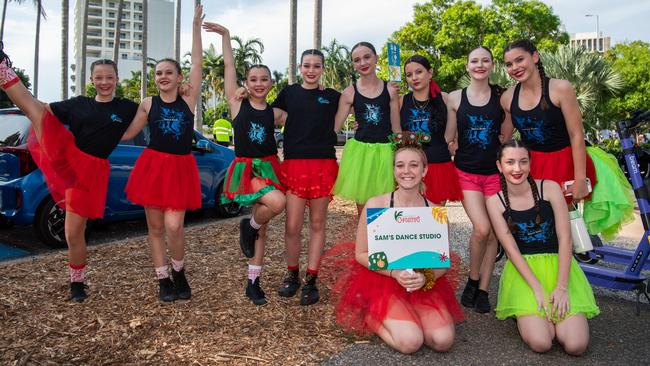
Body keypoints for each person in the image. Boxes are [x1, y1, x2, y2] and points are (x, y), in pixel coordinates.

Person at [0, 45, 138, 301]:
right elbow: (40, 108)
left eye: (109, 77)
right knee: (32, 109)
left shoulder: (128, 107)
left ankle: (78, 280)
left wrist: (182, 91)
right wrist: (27, 98)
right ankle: (2, 66)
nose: (104, 82)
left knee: (76, 231)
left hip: (93, 171)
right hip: (70, 160)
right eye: (99, 77)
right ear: (92, 80)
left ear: (117, 79)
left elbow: (152, 111)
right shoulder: (78, 104)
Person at [322, 133, 464, 354]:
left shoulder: (435, 211)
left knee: (443, 340)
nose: (407, 171)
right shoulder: (377, 205)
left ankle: (410, 314)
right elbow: (361, 253)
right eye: (400, 165)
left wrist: (425, 277)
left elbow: (442, 263)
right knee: (410, 342)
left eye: (414, 165)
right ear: (394, 170)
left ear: (424, 170)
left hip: (421, 281)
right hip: (384, 279)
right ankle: (371, 315)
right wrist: (394, 273)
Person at [121, 5, 204, 302]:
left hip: (180, 168)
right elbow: (129, 132)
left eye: (169, 72)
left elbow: (198, 61)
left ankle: (179, 270)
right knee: (155, 228)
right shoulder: (147, 103)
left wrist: (195, 25)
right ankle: (163, 278)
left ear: (180, 76)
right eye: (158, 73)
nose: (163, 76)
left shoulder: (188, 99)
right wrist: (95, 135)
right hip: (153, 167)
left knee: (174, 226)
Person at [485, 139, 599, 355]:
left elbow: (565, 239)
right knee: (542, 343)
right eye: (510, 162)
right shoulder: (495, 201)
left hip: (559, 268)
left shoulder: (550, 188)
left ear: (530, 163)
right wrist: (537, 289)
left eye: (523, 162)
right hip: (524, 273)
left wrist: (561, 287)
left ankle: (557, 315)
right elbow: (511, 250)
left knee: (576, 346)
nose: (517, 169)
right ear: (500, 166)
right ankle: (525, 314)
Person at [204, 21, 286, 306]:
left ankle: (253, 281)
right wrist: (226, 36)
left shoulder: (276, 113)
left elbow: (306, 105)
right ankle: (248, 225)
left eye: (264, 79)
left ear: (271, 83)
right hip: (248, 168)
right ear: (246, 83)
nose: (259, 83)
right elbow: (228, 66)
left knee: (263, 226)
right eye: (253, 79)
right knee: (276, 204)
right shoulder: (238, 104)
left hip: (270, 166)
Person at [445, 46, 512, 313]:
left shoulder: (502, 97)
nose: (480, 65)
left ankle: (483, 289)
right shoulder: (454, 98)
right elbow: (450, 134)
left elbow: (506, 134)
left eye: (485, 60)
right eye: (474, 61)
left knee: (495, 231)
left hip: (495, 174)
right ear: (467, 65)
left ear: (492, 65)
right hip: (466, 173)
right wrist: (448, 144)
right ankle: (472, 279)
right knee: (482, 228)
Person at [271, 49, 340, 305]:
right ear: (300, 67)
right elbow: (268, 114)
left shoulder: (333, 97)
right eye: (307, 65)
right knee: (292, 225)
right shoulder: (289, 93)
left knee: (318, 225)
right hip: (295, 164)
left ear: (323, 68)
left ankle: (311, 279)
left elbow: (362, 107)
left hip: (323, 164)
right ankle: (292, 275)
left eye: (316, 66)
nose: (311, 70)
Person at [500, 39, 596, 201]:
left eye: (519, 60)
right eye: (509, 64)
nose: (515, 67)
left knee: (565, 221)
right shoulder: (507, 98)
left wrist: (580, 178)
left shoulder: (561, 88)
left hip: (564, 164)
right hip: (530, 167)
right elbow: (504, 140)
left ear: (535, 57)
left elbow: (576, 135)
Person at [332, 41, 401, 215]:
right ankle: (365, 242)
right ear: (353, 64)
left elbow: (396, 127)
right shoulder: (350, 92)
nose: (362, 63)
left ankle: (382, 242)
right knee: (364, 208)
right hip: (361, 154)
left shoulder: (390, 89)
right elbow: (335, 127)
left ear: (376, 58)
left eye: (367, 57)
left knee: (387, 205)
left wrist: (402, 154)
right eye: (357, 60)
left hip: (386, 152)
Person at [399, 54, 463, 205]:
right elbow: (389, 127)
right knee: (410, 219)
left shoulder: (445, 98)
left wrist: (456, 143)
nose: (414, 77)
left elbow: (462, 121)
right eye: (409, 74)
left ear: (430, 73)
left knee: (436, 220)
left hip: (438, 166)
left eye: (419, 72)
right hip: (410, 168)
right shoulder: (402, 101)